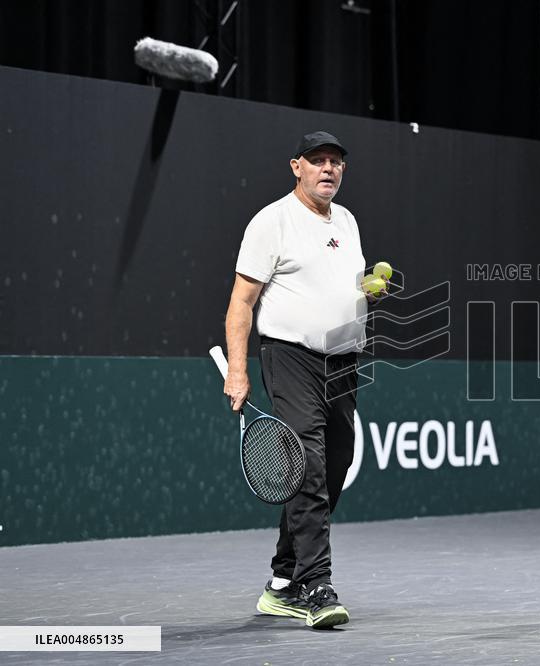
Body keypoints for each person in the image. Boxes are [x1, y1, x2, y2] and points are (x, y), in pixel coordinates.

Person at [223, 131, 370, 629]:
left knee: (334, 465)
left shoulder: (347, 222)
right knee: (306, 462)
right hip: (290, 357)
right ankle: (315, 584)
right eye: (318, 161)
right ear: (296, 167)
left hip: (343, 362)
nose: (328, 169)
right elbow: (241, 302)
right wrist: (239, 369)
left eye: (336, 162)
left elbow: (339, 287)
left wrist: (371, 291)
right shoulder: (272, 220)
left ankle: (282, 582)